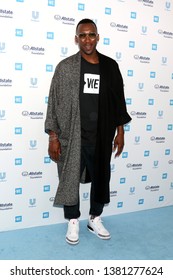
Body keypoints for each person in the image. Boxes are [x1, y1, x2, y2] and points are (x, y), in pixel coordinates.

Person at [45, 18, 131, 245]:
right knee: (69, 178)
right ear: (76, 39)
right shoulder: (65, 67)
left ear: (98, 37)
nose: (87, 40)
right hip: (71, 136)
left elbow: (117, 102)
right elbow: (53, 103)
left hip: (101, 135)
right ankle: (73, 220)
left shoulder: (111, 67)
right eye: (82, 35)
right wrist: (53, 136)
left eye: (91, 34)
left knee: (101, 178)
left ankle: (95, 218)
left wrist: (120, 132)